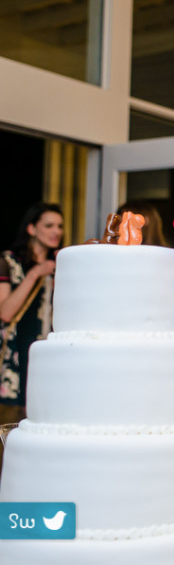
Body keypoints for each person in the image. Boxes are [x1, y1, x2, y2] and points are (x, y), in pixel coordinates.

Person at [0, 203, 64, 479]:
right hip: (13, 363)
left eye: (60, 226)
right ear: (31, 228)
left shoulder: (62, 264)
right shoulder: (9, 260)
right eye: (49, 225)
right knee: (8, 438)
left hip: (46, 362)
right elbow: (5, 312)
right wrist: (36, 273)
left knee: (40, 439)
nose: (56, 232)